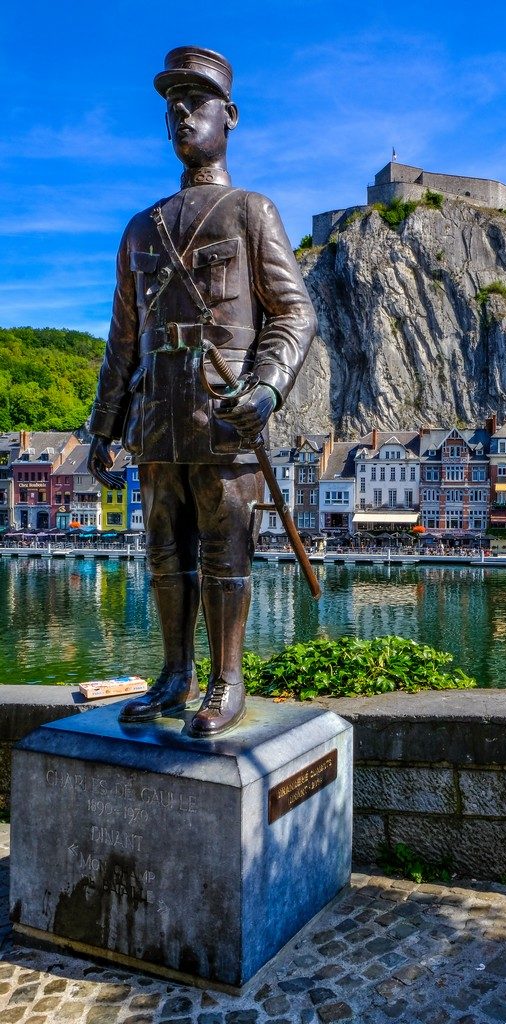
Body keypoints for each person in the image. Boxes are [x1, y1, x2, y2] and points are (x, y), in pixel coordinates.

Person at [88, 47, 317, 737]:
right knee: (164, 554)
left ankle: (227, 677)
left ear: (230, 117)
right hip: (157, 424)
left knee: (225, 555)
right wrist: (103, 427)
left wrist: (270, 387)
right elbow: (121, 341)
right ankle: (173, 674)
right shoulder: (140, 229)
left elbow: (294, 311)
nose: (182, 116)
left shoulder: (252, 211)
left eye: (197, 104)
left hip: (224, 422)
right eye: (172, 108)